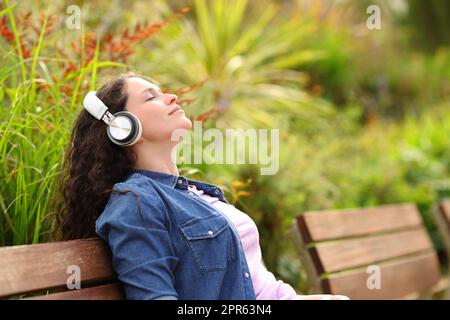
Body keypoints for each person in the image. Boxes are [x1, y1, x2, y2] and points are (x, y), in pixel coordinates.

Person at [59, 72, 349, 300]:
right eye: (152, 97)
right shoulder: (136, 203)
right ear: (124, 128)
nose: (172, 97)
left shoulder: (196, 193)